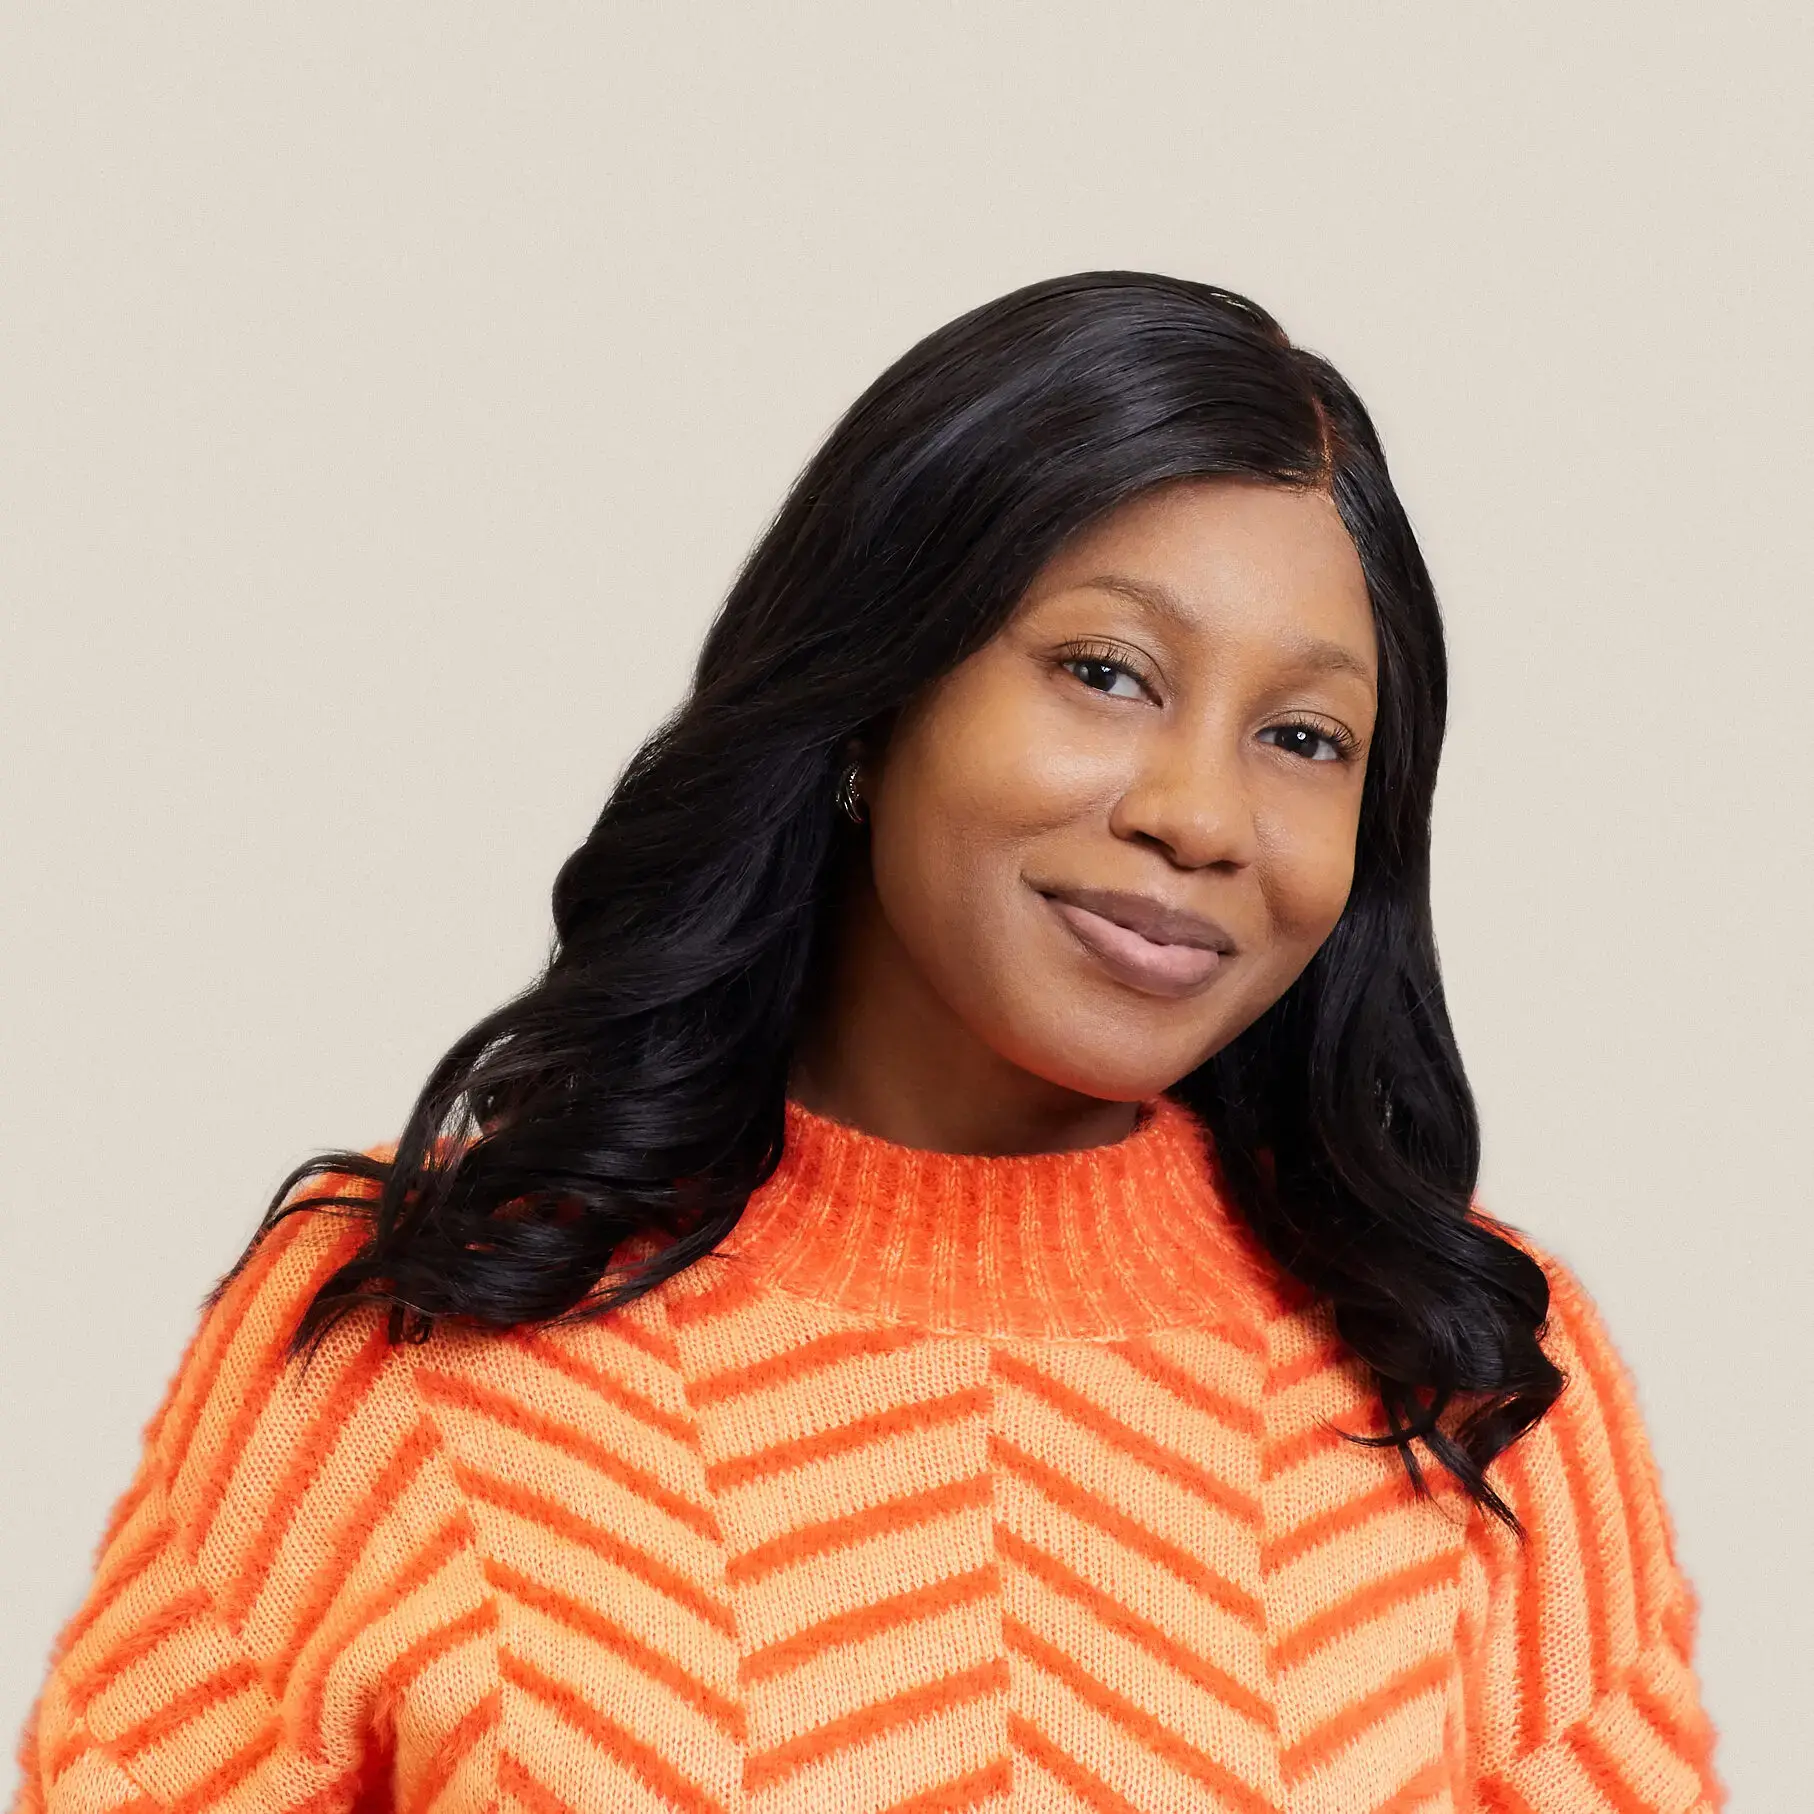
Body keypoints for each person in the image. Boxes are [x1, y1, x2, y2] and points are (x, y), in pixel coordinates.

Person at [12, 273, 1721, 1814]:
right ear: (870, 701)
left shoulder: (1480, 1380)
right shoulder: (414, 1328)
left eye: (1301, 734)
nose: (1204, 814)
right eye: (1107, 671)